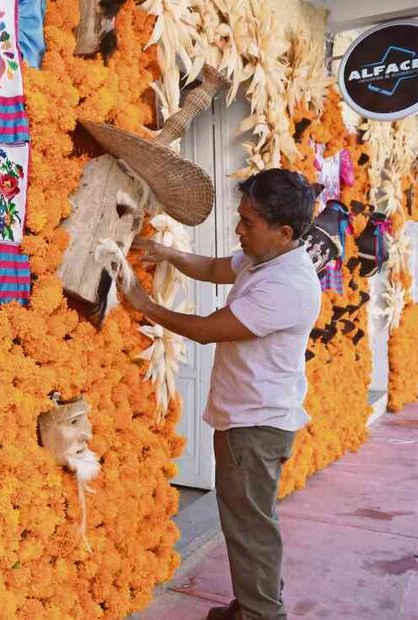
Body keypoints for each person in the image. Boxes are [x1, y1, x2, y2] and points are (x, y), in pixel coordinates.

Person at [118, 168, 321, 620]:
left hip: (255, 425)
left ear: (284, 231)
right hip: (246, 419)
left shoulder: (287, 285)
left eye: (248, 222)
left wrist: (145, 305)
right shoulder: (264, 257)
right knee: (249, 523)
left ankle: (261, 613)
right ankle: (253, 604)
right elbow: (213, 268)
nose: (238, 229)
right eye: (241, 216)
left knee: (250, 527)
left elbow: (208, 331)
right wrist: (165, 252)